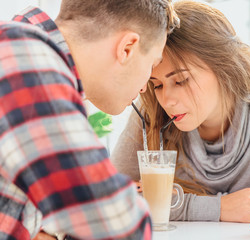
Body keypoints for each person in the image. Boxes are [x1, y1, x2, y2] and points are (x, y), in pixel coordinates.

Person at [111, 0, 250, 223]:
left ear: (223, 65)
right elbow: (113, 197)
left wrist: (170, 202)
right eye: (157, 84)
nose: (166, 100)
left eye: (181, 80)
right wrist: (220, 208)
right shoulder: (152, 107)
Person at [0, 0, 179, 239]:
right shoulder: (25, 57)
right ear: (127, 48)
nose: (146, 88)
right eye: (152, 65)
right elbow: (120, 227)